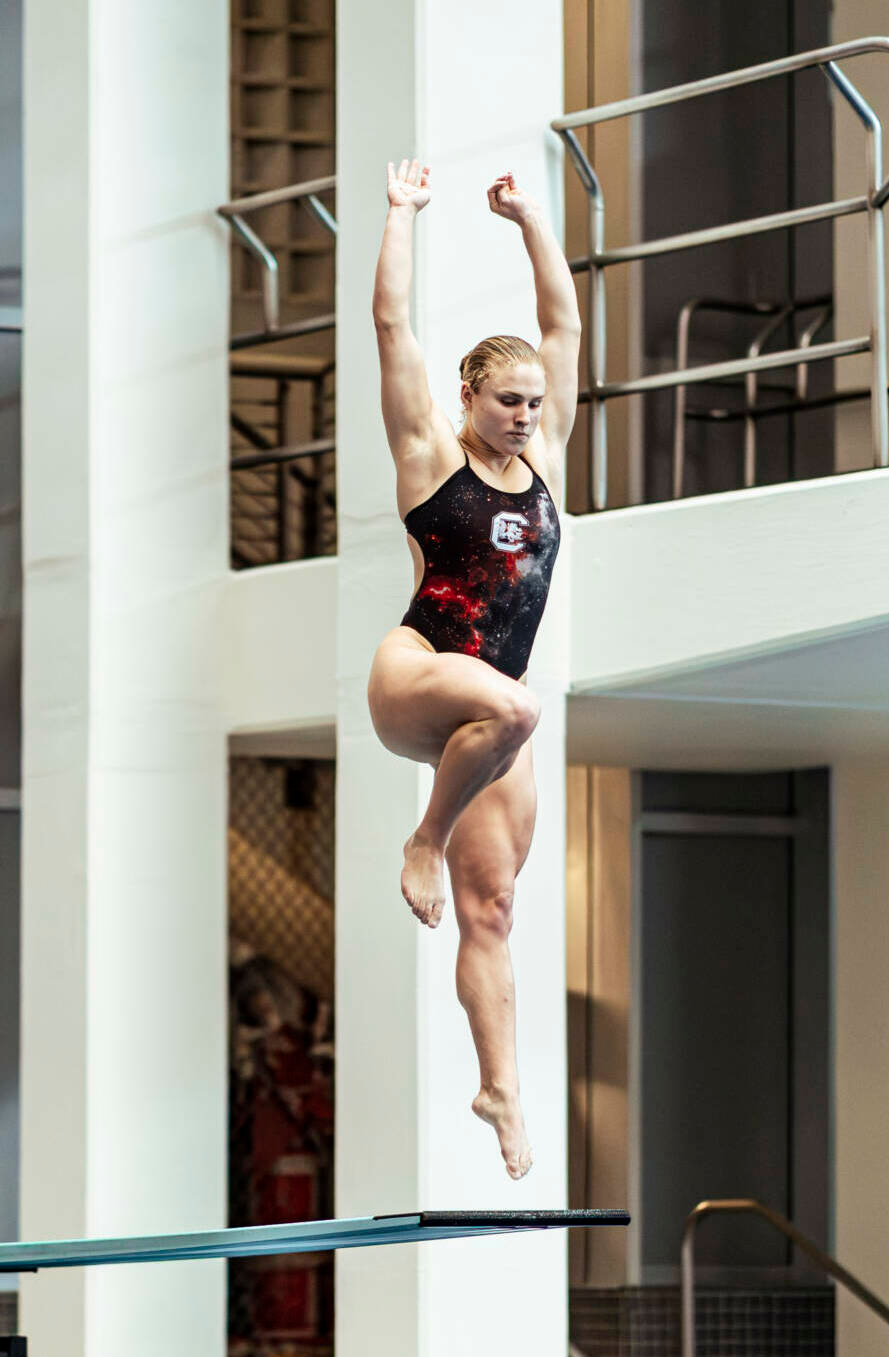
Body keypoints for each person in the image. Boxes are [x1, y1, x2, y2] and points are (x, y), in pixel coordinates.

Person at [364, 157, 579, 1180]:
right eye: (506, 400)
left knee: (491, 910)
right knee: (517, 703)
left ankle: (500, 1085)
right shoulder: (427, 454)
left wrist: (532, 216)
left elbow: (565, 323)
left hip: (492, 725)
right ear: (468, 395)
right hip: (419, 677)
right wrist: (402, 213)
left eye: (534, 401)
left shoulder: (545, 465)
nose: (526, 415)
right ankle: (422, 838)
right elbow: (390, 331)